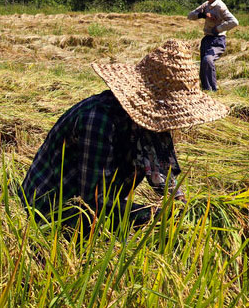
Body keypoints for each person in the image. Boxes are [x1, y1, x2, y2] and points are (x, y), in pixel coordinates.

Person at [19, 39, 229, 235]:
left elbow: (162, 172)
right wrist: (153, 215)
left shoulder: (154, 123)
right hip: (52, 207)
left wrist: (182, 205)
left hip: (100, 204)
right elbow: (93, 201)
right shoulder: (98, 120)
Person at [187, 0, 239, 91]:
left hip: (217, 40)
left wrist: (218, 29)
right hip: (206, 39)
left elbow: (234, 22)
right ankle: (206, 90)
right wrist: (203, 15)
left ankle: (213, 90)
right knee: (203, 66)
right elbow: (190, 16)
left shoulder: (220, 7)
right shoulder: (206, 5)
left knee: (208, 60)